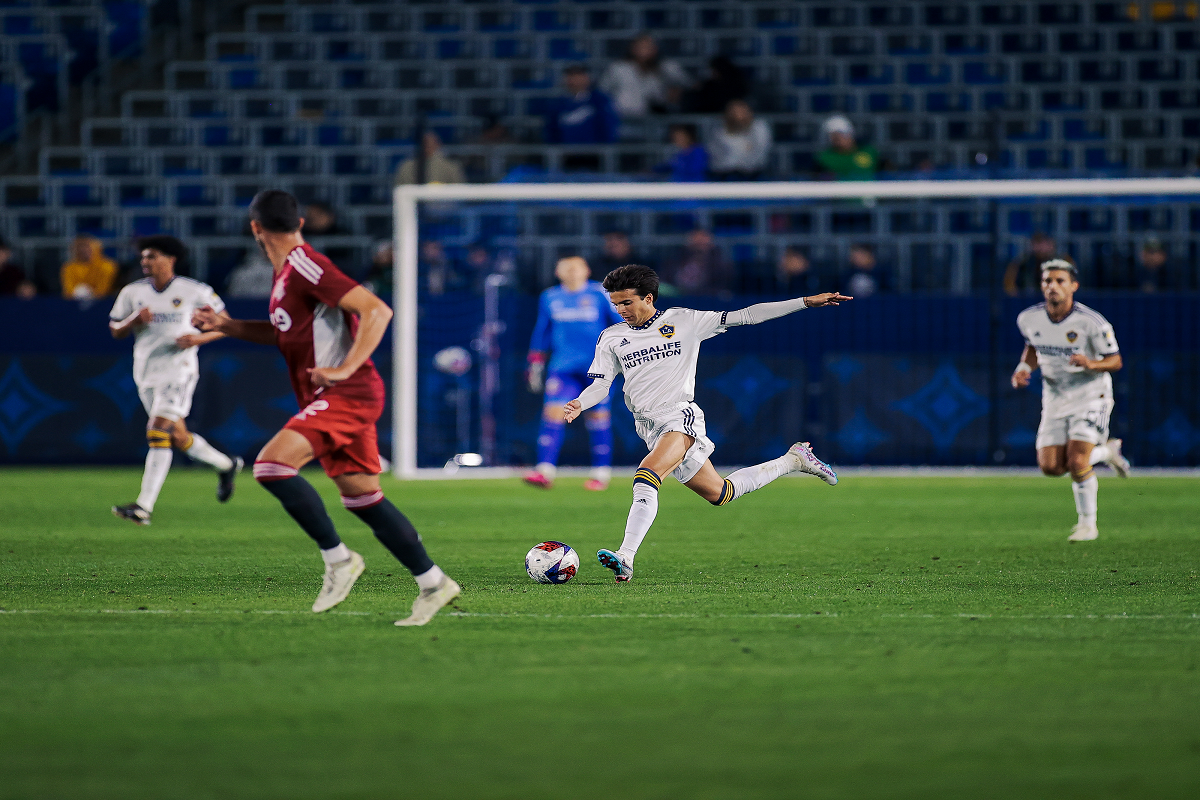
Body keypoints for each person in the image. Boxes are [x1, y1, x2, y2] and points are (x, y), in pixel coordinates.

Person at [192, 190, 458, 625]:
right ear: (298, 221)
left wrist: (345, 367)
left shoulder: (303, 264)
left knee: (272, 467)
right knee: (363, 498)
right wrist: (228, 326)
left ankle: (339, 560)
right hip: (332, 394)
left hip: (347, 393)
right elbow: (286, 334)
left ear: (255, 228)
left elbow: (377, 310)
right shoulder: (286, 273)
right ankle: (433, 583)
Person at [564, 265, 850, 582]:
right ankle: (794, 460)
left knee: (646, 475)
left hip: (679, 416)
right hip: (647, 426)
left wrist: (805, 302)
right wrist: (580, 402)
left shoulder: (684, 320)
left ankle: (626, 556)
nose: (620, 310)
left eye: (626, 303)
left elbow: (748, 315)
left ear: (648, 297)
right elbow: (602, 385)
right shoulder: (611, 337)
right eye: (615, 304)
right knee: (720, 493)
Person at [108, 235, 243, 525]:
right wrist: (133, 321)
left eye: (152, 256)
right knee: (178, 437)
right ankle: (227, 464)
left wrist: (197, 338)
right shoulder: (132, 292)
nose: (145, 261)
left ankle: (143, 507)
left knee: (157, 431)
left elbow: (226, 326)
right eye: (144, 257)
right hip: (145, 371)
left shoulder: (195, 291)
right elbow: (115, 330)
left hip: (178, 370)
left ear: (171, 259)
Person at [1012, 259, 1131, 543]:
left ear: (1073, 286)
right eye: (1047, 281)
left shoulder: (1091, 322)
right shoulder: (1029, 318)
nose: (1052, 286)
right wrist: (1024, 369)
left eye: (1059, 281)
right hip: (1055, 397)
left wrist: (1090, 363)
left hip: (1091, 395)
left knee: (1077, 461)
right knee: (1051, 467)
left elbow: (1115, 361)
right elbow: (1032, 347)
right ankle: (1107, 453)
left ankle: (1087, 525)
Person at [524, 256, 624, 491]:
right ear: (558, 272)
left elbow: (619, 324)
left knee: (597, 419)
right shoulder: (550, 297)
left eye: (575, 267)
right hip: (563, 368)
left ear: (586, 271)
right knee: (553, 415)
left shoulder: (600, 293)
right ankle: (544, 471)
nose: (571, 272)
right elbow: (542, 332)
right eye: (565, 268)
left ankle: (600, 474)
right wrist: (535, 364)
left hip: (597, 370)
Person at [599, 34, 691, 117]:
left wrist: (673, 94)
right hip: (620, 117)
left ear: (655, 49)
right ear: (632, 49)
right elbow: (602, 91)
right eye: (640, 47)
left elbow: (688, 86)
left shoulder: (663, 69)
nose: (643, 51)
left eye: (647, 47)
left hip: (650, 119)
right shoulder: (618, 68)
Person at [544, 65, 619, 145]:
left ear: (587, 78)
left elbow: (608, 127)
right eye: (571, 76)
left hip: (594, 151)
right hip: (565, 151)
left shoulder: (600, 101)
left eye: (579, 76)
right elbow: (551, 130)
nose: (575, 81)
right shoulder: (557, 104)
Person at [707, 100, 772, 181]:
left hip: (754, 172)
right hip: (725, 173)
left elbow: (761, 150)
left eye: (741, 111)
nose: (738, 115)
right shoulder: (718, 131)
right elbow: (717, 156)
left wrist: (746, 165)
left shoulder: (759, 127)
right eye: (734, 112)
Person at [664, 228, 733, 296]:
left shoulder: (720, 265)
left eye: (703, 240)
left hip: (706, 300)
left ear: (711, 242)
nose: (699, 242)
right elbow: (664, 281)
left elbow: (721, 287)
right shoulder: (675, 261)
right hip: (676, 299)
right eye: (696, 239)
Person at [815, 116, 878, 181]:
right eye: (834, 136)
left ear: (850, 133)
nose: (838, 138)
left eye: (841, 134)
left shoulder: (869, 152)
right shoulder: (825, 158)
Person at [394, 131, 466, 185]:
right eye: (425, 144)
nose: (428, 147)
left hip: (443, 203)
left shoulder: (451, 167)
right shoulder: (406, 167)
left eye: (431, 144)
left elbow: (458, 190)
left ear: (438, 145)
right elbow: (398, 189)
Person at [683, 55, 749, 114]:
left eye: (714, 70)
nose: (712, 73)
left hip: (726, 114)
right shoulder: (709, 85)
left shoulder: (736, 85)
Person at [61, 235, 118, 300]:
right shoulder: (69, 268)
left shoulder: (107, 266)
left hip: (102, 302)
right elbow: (68, 290)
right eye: (79, 247)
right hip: (74, 303)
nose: (83, 250)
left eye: (86, 247)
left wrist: (92, 296)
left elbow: (103, 290)